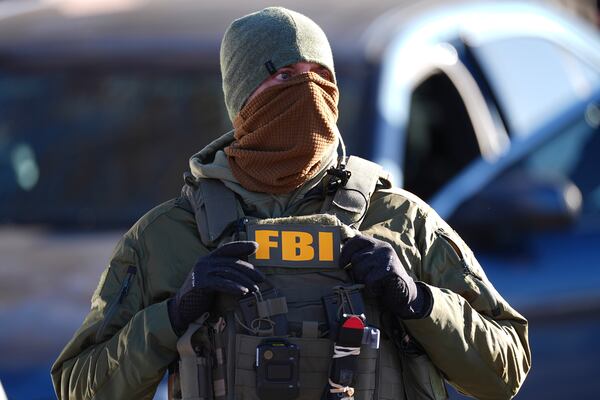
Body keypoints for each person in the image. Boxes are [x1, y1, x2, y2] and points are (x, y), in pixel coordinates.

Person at [51, 7, 531, 400]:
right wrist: (172, 316)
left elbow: (505, 369)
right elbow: (77, 387)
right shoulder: (167, 237)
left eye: (319, 75)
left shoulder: (402, 220)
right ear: (242, 98)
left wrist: (419, 302)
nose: (307, 91)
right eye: (283, 75)